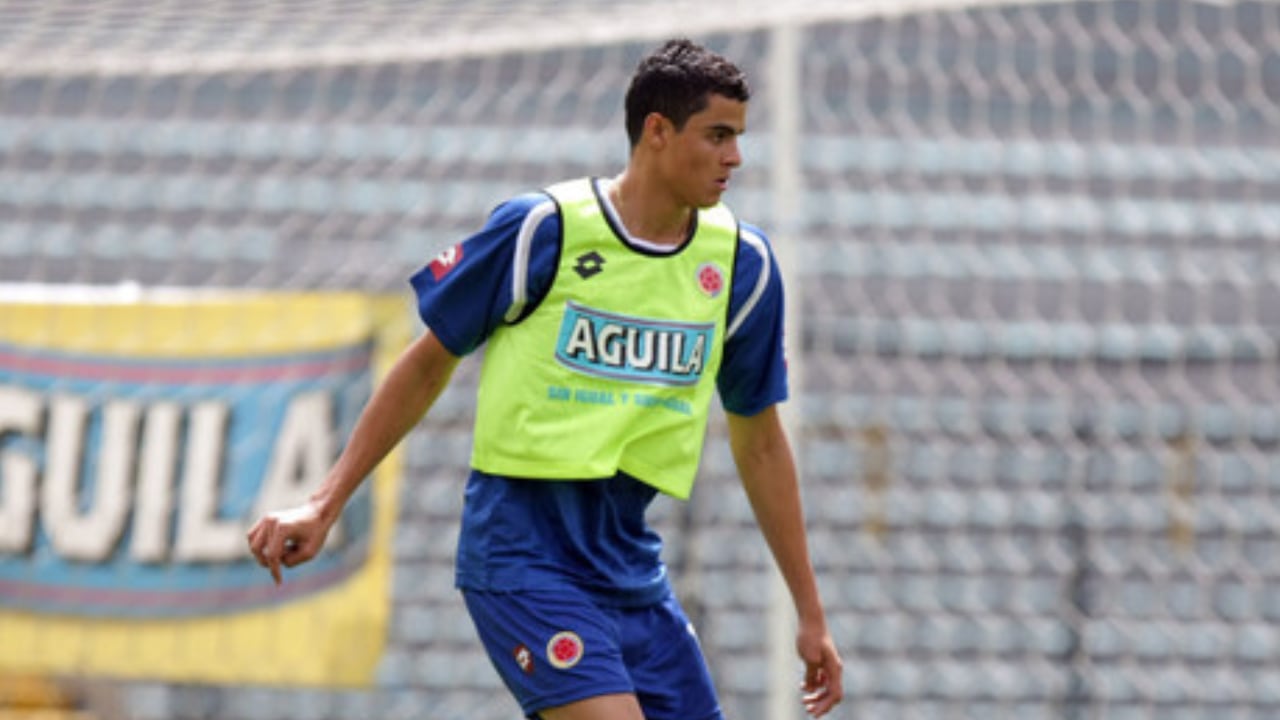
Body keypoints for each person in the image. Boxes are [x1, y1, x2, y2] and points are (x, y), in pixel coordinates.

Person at [247, 37, 844, 719]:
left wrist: (810, 614)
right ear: (657, 131)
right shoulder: (542, 230)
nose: (735, 157)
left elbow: (761, 441)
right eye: (717, 136)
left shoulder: (743, 267)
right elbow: (427, 363)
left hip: (629, 566)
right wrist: (324, 504)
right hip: (522, 554)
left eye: (738, 137)